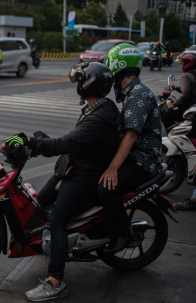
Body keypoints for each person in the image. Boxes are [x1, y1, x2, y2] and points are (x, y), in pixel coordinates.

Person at [3, 62, 120, 302]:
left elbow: (66, 143)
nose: (77, 84)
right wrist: (35, 143)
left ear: (88, 83)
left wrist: (29, 142)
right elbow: (74, 143)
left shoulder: (99, 116)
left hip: (84, 176)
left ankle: (55, 282)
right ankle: (50, 247)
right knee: (40, 204)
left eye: (80, 80)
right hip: (72, 169)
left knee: (56, 219)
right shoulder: (98, 106)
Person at [100, 43, 162, 254]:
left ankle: (122, 234)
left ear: (117, 67)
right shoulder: (133, 93)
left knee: (106, 188)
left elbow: (132, 134)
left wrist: (113, 168)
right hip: (136, 155)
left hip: (140, 159)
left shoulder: (138, 94)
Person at [162, 52, 196, 130]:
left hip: (188, 108)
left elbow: (186, 94)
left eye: (182, 63)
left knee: (166, 116)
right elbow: (190, 89)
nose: (180, 65)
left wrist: (174, 104)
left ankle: (172, 137)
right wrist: (176, 88)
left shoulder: (186, 76)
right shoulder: (194, 74)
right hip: (194, 107)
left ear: (187, 63)